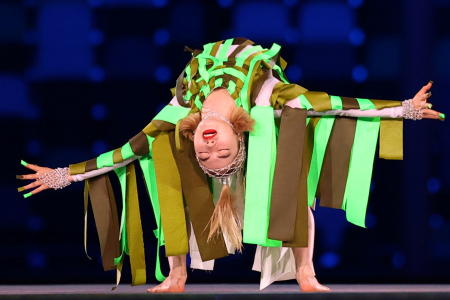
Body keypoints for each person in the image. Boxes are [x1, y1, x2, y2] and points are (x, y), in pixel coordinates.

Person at [16, 38, 444, 293]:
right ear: (238, 137)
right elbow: (337, 106)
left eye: (206, 157)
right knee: (288, 191)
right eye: (221, 154)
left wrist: (60, 176)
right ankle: (298, 272)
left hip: (209, 64)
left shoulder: (182, 109)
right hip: (254, 71)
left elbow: (122, 154)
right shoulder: (266, 99)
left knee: (173, 173)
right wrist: (402, 109)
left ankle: (189, 273)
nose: (208, 149)